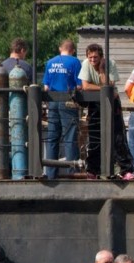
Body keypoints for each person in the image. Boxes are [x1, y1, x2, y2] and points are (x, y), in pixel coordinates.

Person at [79, 43, 134, 180]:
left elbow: (109, 85)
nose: (93, 60)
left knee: (118, 136)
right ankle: (93, 170)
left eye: (96, 57)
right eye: (90, 57)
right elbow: (85, 86)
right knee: (95, 137)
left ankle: (125, 170)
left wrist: (102, 70)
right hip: (95, 103)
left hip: (111, 103)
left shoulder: (110, 63)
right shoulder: (86, 64)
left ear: (102, 57)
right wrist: (103, 88)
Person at [42, 39, 82, 178]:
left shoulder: (50, 62)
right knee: (70, 137)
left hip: (52, 101)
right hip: (68, 101)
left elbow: (46, 87)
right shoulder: (75, 62)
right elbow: (79, 86)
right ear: (73, 50)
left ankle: (51, 173)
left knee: (53, 137)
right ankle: (73, 173)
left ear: (60, 48)